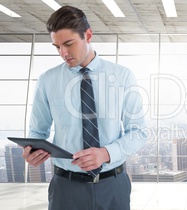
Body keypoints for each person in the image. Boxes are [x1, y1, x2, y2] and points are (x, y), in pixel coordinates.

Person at [22, 5, 146, 210]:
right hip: (65, 188)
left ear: (88, 35)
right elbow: (37, 132)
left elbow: (139, 132)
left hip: (113, 185)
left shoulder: (123, 76)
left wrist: (106, 153)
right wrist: (32, 151)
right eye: (57, 47)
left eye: (68, 44)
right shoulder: (47, 81)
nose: (63, 53)